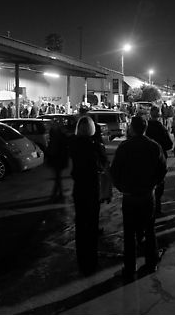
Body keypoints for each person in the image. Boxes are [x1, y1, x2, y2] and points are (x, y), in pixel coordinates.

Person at [110, 116, 167, 279]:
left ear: (132, 128)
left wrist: (122, 188)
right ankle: (151, 262)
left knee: (129, 232)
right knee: (149, 229)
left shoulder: (124, 147)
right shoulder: (154, 146)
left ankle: (130, 267)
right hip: (147, 195)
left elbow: (115, 171)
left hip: (130, 196)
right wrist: (153, 184)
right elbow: (162, 170)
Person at [68, 116, 108, 275]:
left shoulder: (74, 144)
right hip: (92, 187)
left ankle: (81, 261)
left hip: (79, 188)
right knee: (91, 225)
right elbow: (104, 163)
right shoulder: (95, 145)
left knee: (80, 224)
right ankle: (91, 262)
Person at [145, 105, 173, 215]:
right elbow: (169, 144)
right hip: (159, 160)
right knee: (159, 185)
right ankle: (157, 209)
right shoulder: (161, 127)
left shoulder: (146, 126)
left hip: (146, 160)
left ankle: (148, 209)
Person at [46, 122, 70, 201]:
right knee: (58, 178)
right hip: (58, 161)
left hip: (57, 160)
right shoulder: (60, 138)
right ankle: (59, 194)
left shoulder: (57, 139)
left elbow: (54, 150)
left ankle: (57, 194)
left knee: (58, 178)